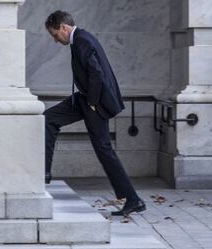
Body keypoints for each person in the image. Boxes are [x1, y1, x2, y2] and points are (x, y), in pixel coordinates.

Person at [43, 10, 145, 216]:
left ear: (63, 28)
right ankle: (44, 172)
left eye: (55, 35)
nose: (55, 40)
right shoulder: (80, 39)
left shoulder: (82, 40)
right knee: (48, 119)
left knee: (104, 150)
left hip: (94, 102)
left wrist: (91, 103)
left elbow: (96, 74)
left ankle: (133, 199)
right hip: (85, 99)